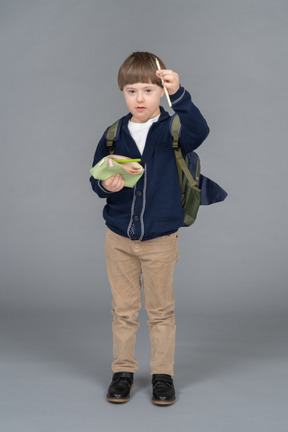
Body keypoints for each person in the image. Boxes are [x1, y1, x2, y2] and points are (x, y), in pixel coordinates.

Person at [89, 51, 209, 405]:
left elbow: (201, 130)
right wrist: (105, 186)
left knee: (161, 311)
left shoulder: (174, 129)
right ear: (122, 93)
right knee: (123, 310)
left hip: (160, 239)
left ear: (161, 92)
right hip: (119, 238)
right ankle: (122, 371)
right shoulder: (113, 133)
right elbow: (96, 176)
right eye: (131, 91)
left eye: (148, 90)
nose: (139, 98)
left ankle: (162, 376)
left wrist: (181, 94)